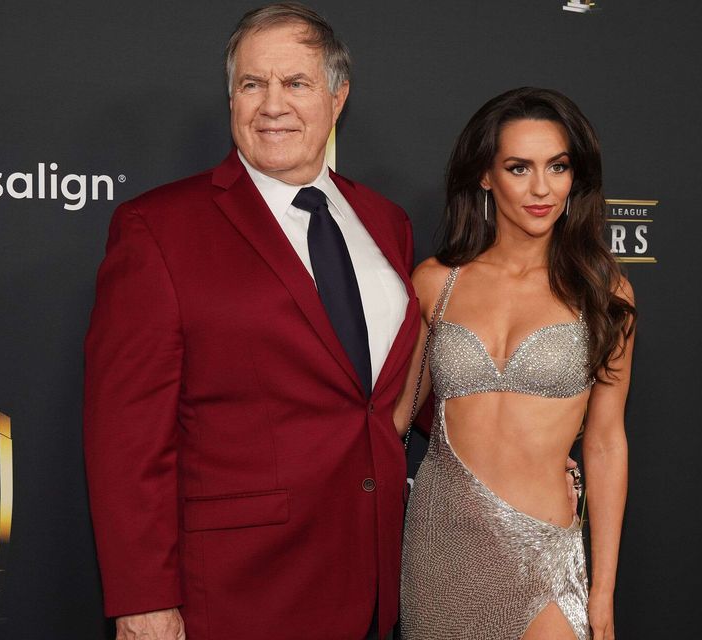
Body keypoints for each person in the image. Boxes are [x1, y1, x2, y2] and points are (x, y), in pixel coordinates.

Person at [83, 4, 419, 639]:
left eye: (296, 82)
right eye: (252, 84)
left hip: (370, 578)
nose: (272, 105)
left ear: (338, 98)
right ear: (231, 97)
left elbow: (387, 391)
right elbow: (126, 437)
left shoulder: (386, 222)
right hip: (238, 590)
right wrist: (144, 600)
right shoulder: (158, 228)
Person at [396, 87, 635, 640]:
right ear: (486, 175)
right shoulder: (436, 282)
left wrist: (602, 591)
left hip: (543, 549)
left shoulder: (604, 294)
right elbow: (396, 419)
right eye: (518, 167)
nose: (541, 188)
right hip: (441, 543)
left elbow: (605, 443)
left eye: (558, 167)